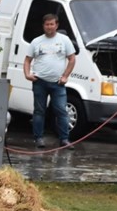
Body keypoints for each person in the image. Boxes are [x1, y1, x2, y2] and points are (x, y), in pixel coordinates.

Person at [23, 13, 77, 149]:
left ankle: (64, 139)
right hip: (39, 81)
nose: (49, 27)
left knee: (61, 111)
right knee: (39, 111)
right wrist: (27, 74)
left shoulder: (64, 40)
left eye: (52, 24)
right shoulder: (36, 41)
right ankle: (38, 138)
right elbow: (27, 60)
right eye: (47, 24)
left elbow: (72, 58)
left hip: (57, 83)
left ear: (57, 25)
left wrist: (65, 76)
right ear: (43, 26)